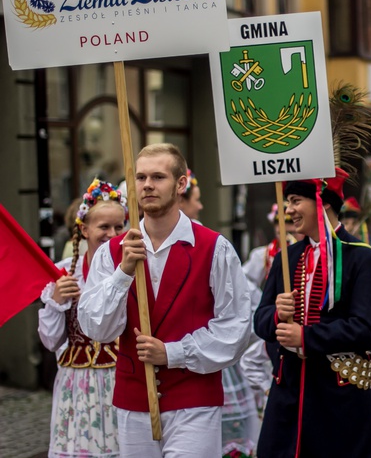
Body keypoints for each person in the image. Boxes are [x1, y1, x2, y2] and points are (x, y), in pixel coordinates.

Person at [77, 143, 254, 457]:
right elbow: (96, 328)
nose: (147, 185)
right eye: (141, 177)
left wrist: (172, 353)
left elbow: (237, 326)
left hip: (194, 401)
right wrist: (123, 274)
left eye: (158, 177)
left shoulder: (214, 248)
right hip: (133, 402)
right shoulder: (113, 252)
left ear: (181, 184)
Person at [253, 167, 371, 458]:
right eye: (288, 202)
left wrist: (306, 336)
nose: (289, 210)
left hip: (339, 401)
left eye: (295, 200)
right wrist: (277, 315)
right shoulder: (285, 258)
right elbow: (260, 319)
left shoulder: (364, 258)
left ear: (322, 201)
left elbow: (368, 329)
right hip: (289, 396)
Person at [39, 179, 127, 458]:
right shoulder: (66, 272)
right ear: (84, 229)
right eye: (104, 227)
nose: (112, 234)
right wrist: (56, 302)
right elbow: (51, 341)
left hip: (122, 376)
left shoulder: (133, 267)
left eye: (118, 226)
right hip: (77, 382)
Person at [243, 203, 298, 290]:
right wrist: (261, 299)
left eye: (291, 233)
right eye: (280, 233)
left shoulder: (306, 252)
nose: (286, 238)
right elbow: (245, 280)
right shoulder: (264, 254)